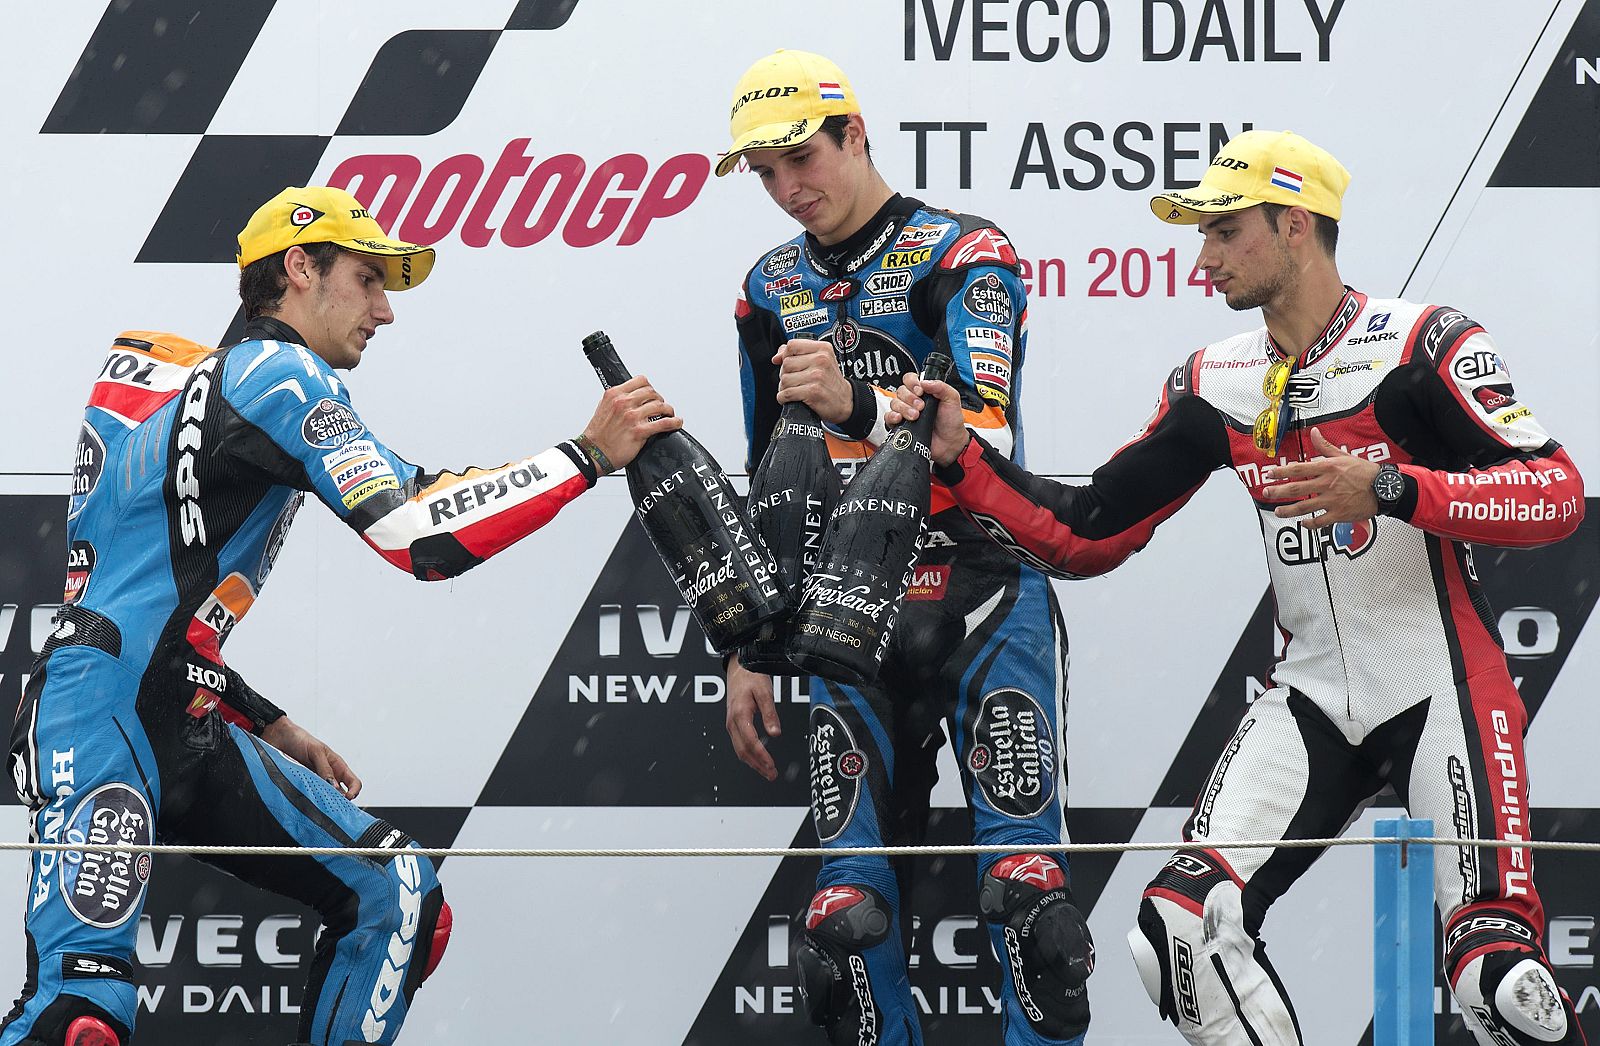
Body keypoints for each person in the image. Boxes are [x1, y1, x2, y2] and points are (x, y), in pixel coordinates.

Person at [891, 129, 1587, 1045]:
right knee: (1174, 932)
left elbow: (1556, 494)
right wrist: (963, 461)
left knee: (1500, 982)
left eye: (1225, 232)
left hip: (1442, 683)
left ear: (1295, 225)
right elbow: (1090, 528)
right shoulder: (1215, 380)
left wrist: (1389, 487)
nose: (1205, 258)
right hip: (1314, 693)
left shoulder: (1423, 343)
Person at [2, 185, 681, 1046]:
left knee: (395, 892)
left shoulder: (194, 390)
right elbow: (416, 535)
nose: (387, 311)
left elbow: (150, 606)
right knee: (80, 1020)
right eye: (368, 280)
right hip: (105, 718)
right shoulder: (276, 373)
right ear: (297, 270)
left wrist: (266, 719)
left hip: (163, 706)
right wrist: (584, 455)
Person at [717, 50, 1093, 1046]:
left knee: (1032, 907)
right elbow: (771, 472)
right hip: (847, 610)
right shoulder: (768, 285)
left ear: (854, 133)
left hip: (980, 591)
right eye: (764, 173)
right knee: (847, 920)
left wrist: (859, 403)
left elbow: (992, 435)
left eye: (800, 158)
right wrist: (750, 641)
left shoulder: (962, 252)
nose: (788, 189)